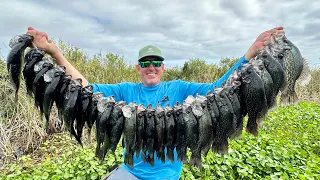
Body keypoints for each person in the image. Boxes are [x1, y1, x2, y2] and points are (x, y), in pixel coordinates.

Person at [27, 26, 284, 180]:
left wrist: (251, 52)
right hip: (130, 174)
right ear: (138, 68)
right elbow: (85, 88)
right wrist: (55, 52)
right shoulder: (124, 91)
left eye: (156, 63)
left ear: (163, 67)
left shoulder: (181, 88)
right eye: (146, 63)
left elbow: (218, 88)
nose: (152, 67)